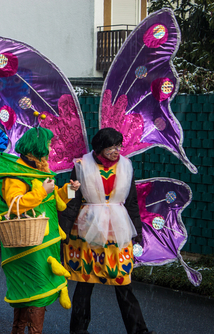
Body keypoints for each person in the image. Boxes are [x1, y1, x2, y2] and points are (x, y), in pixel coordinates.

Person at [59, 128, 155, 334]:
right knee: (85, 283)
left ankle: (139, 331)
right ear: (100, 147)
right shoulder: (81, 166)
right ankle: (78, 331)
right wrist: (63, 231)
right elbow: (72, 198)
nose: (116, 151)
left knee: (123, 282)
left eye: (119, 146)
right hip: (86, 231)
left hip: (117, 231)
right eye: (111, 147)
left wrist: (136, 232)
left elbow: (131, 203)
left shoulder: (126, 166)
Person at [0, 127, 80, 334]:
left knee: (30, 290)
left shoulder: (38, 170)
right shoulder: (15, 174)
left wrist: (69, 190)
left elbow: (50, 200)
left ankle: (19, 330)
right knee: (37, 288)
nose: (50, 148)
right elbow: (16, 203)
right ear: (37, 147)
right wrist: (41, 190)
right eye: (48, 144)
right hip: (26, 242)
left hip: (42, 240)